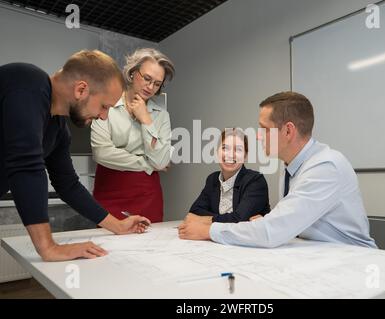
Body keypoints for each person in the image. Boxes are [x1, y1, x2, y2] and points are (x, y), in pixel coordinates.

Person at [0, 50, 151, 262]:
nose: (103, 116)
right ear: (81, 89)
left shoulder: (59, 129)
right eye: (104, 106)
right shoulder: (27, 83)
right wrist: (48, 248)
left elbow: (68, 185)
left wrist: (117, 225)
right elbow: (25, 165)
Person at [178, 92, 377, 249]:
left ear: (288, 131)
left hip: (353, 261)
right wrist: (269, 220)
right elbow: (288, 221)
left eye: (264, 129)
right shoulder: (290, 167)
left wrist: (209, 230)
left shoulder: (325, 167)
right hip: (318, 254)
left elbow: (271, 233)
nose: (258, 137)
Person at [91, 48, 175, 223]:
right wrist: (147, 164)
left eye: (157, 84)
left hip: (147, 194)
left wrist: (146, 120)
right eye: (147, 78)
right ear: (132, 73)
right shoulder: (107, 104)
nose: (150, 87)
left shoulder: (161, 115)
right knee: (108, 245)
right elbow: (101, 153)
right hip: (109, 189)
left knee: (149, 246)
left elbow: (160, 161)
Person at [185, 128, 270, 224]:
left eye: (238, 149)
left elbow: (239, 219)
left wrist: (205, 220)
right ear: (217, 151)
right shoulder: (212, 179)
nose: (230, 155)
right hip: (214, 238)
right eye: (225, 148)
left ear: (245, 156)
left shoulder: (255, 181)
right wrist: (229, 218)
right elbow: (195, 212)